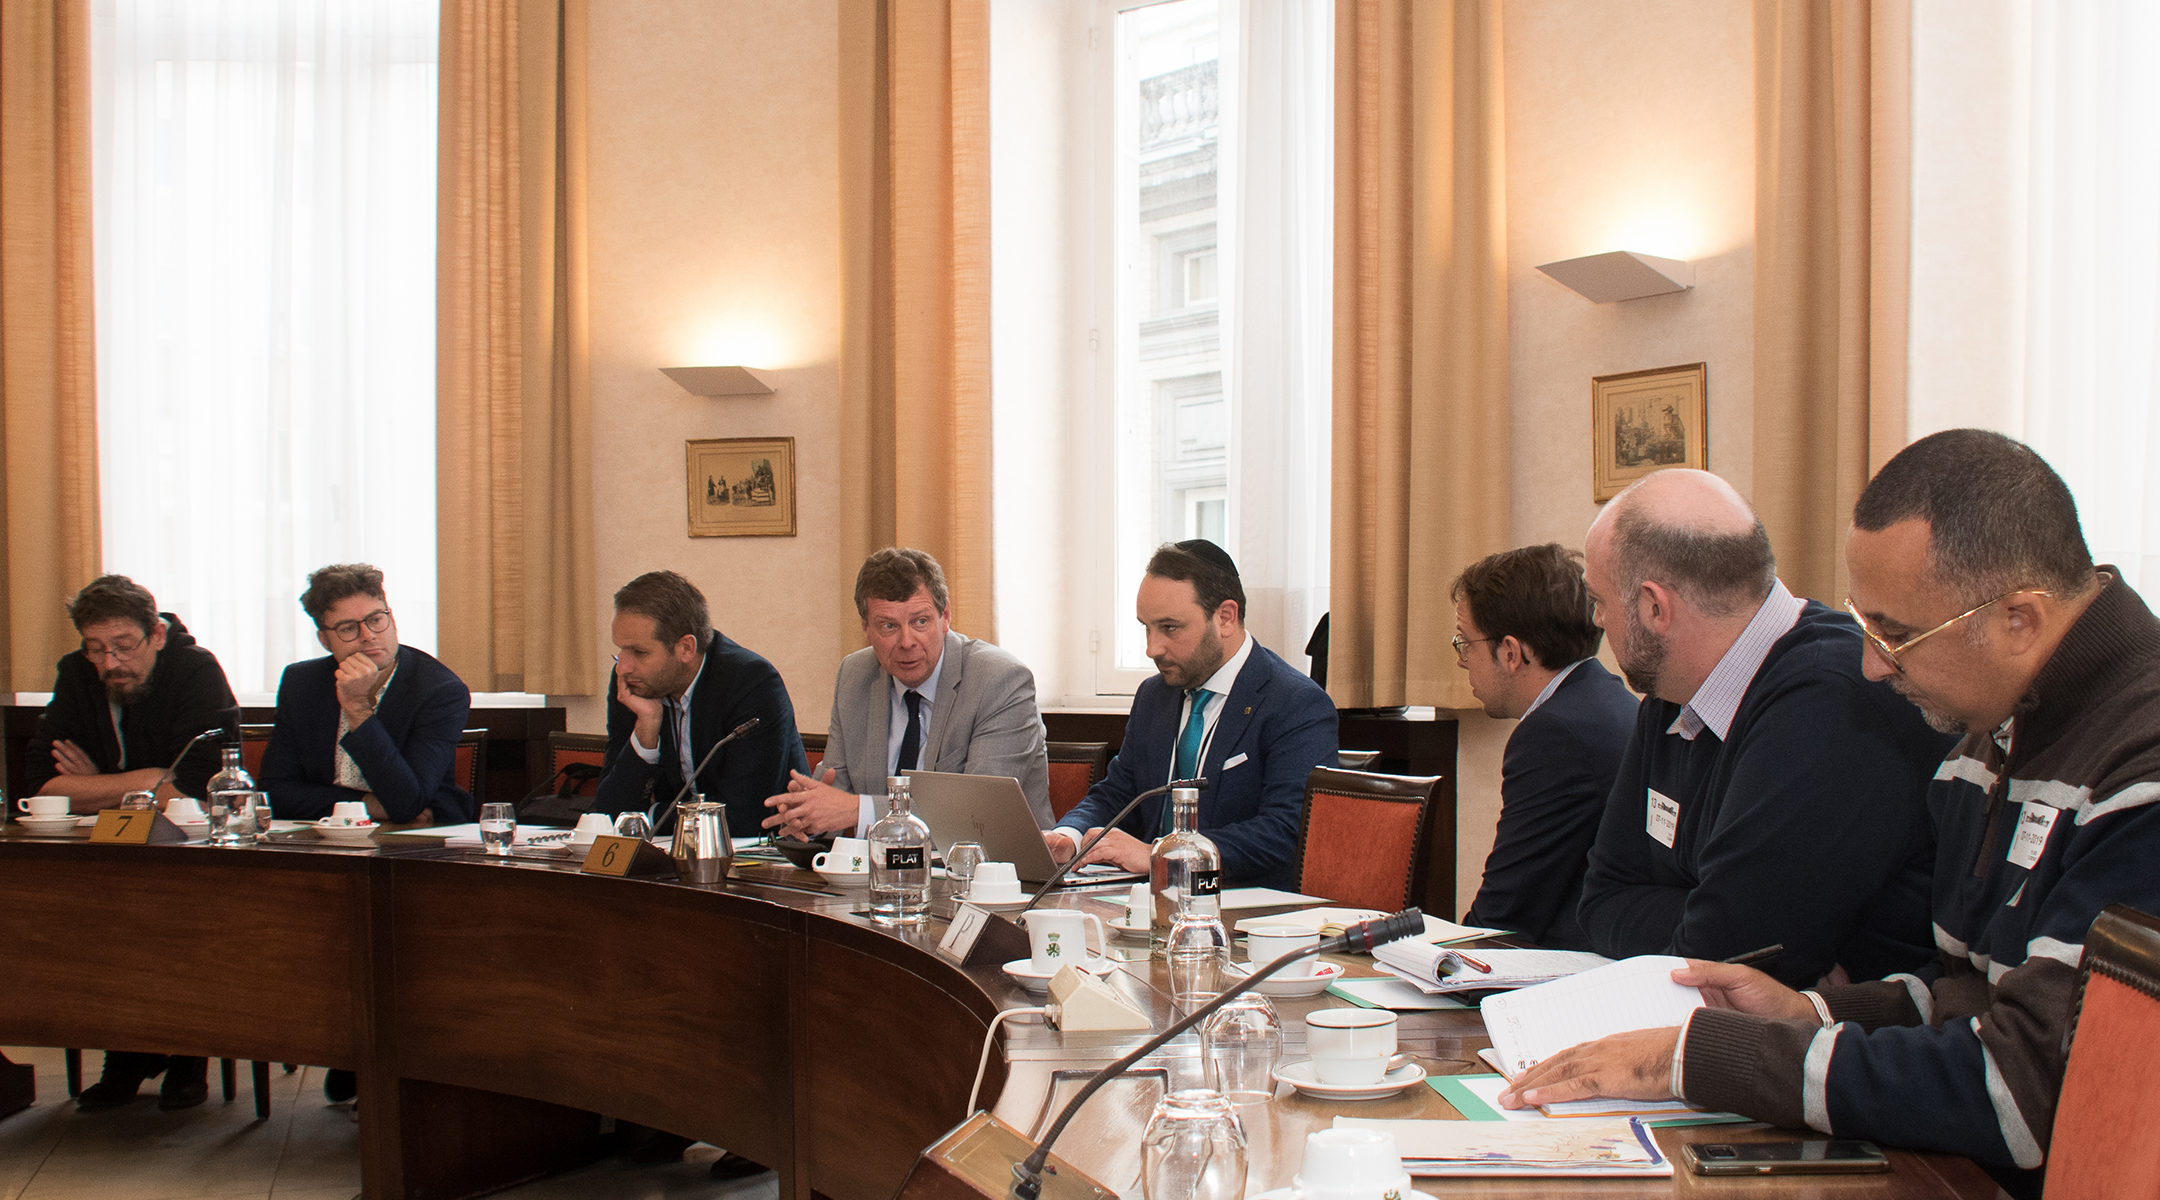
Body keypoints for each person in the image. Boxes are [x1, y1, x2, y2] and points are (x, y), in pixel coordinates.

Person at [1500, 430, 2160, 1194]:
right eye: (1867, 622)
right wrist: (1813, 1012)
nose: (1874, 663)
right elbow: (1963, 993)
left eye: (1900, 634)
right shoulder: (1990, 730)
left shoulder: (2136, 769)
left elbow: (2022, 1087)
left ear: (2020, 619)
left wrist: (1696, 1057)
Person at [1575, 468, 1949, 986]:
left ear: (1654, 607)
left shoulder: (1827, 702)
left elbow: (1723, 960)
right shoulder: (1675, 688)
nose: (1597, 621)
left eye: (1600, 601)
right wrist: (1702, 916)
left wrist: (1702, 924)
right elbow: (1601, 901)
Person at [29, 575, 239, 1113]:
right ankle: (127, 1050)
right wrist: (147, 779)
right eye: (97, 649)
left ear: (157, 635)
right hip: (107, 852)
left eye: (124, 646)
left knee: (180, 915)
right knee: (91, 918)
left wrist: (98, 783)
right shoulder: (76, 674)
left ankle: (190, 1053)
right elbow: (44, 784)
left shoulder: (195, 670)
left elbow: (193, 782)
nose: (111, 663)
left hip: (188, 854)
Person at [1046, 540, 1337, 890]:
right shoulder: (1154, 695)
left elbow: (1286, 831)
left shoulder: (1295, 703)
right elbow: (1117, 794)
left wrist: (1164, 856)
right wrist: (1070, 836)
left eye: (1170, 628)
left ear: (1225, 618)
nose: (1152, 648)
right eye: (1146, 627)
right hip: (1144, 901)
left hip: (1243, 910)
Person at [763, 547, 1050, 839]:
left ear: (945, 616)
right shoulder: (855, 676)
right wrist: (809, 812)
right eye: (888, 626)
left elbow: (978, 813)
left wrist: (856, 810)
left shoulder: (999, 680)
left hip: (995, 873)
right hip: (881, 873)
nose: (906, 641)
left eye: (920, 622)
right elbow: (837, 790)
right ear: (866, 627)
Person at [1452, 544, 1637, 949]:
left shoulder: (1554, 734)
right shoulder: (1603, 696)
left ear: (1512, 652)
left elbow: (1506, 911)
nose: (1463, 661)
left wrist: (1443, 966)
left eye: (1466, 644)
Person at [594, 570, 806, 837]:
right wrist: (645, 733)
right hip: (670, 861)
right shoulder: (633, 685)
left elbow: (745, 817)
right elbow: (606, 816)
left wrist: (649, 815)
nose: (623, 666)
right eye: (621, 649)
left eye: (639, 652)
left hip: (758, 860)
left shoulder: (751, 683)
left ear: (686, 648)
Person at [260, 564, 475, 826]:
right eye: (348, 628)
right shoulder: (301, 682)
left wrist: (357, 708)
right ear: (325, 641)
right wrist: (364, 806)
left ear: (392, 619)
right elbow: (274, 791)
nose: (369, 636)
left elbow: (408, 803)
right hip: (323, 833)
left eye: (375, 620)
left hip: (415, 838)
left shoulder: (439, 690)